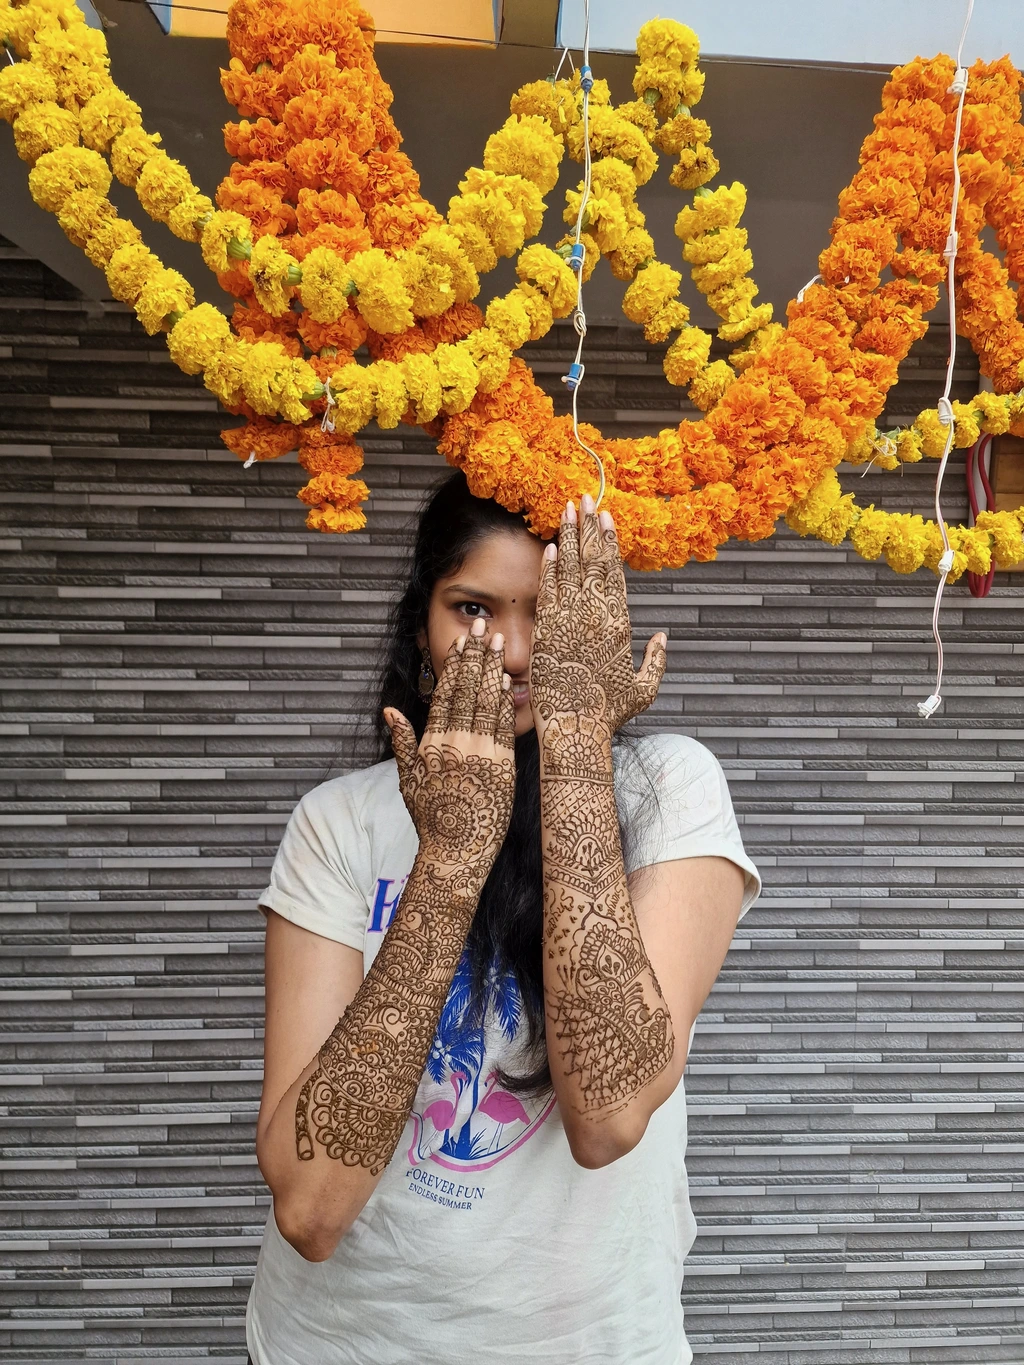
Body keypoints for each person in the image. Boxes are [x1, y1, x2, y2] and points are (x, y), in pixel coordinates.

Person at [246, 473, 761, 1365]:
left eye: (545, 612)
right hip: (339, 1344)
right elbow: (312, 1209)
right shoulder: (339, 822)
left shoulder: (671, 791)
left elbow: (607, 1118)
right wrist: (449, 859)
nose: (516, 651)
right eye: (474, 608)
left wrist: (573, 749)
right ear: (423, 629)